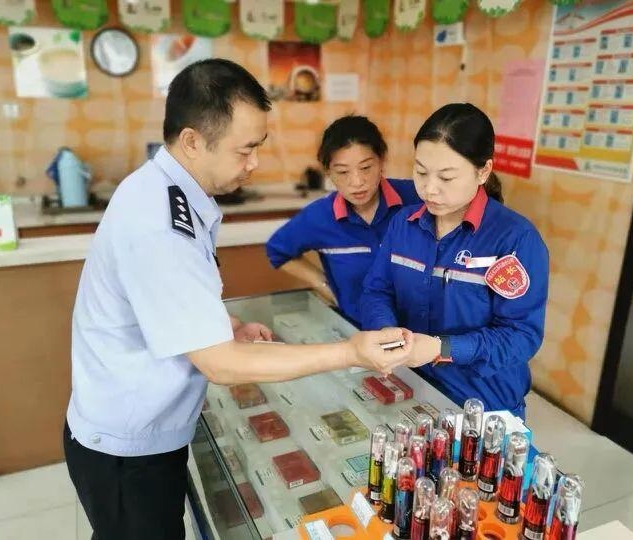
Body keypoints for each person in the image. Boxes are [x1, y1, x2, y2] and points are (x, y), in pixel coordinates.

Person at [64, 59, 412, 540]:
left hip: (143, 428)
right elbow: (223, 367)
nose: (254, 164)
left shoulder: (166, 191)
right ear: (192, 141)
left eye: (258, 147)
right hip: (127, 449)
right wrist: (352, 351)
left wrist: (225, 326)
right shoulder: (160, 224)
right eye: (244, 150)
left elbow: (170, 300)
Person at [360, 103, 549, 419]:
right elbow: (377, 291)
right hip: (411, 390)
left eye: (446, 177)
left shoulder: (515, 239)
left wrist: (441, 348)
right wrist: (387, 332)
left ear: (483, 171)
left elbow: (520, 336)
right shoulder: (402, 224)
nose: (429, 188)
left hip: (482, 406)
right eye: (420, 171)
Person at [265, 115, 421, 326]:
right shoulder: (320, 216)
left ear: (382, 161)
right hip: (358, 334)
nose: (357, 182)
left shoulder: (416, 197)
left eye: (366, 168)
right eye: (343, 172)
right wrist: (322, 283)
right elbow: (277, 251)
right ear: (328, 172)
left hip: (421, 334)